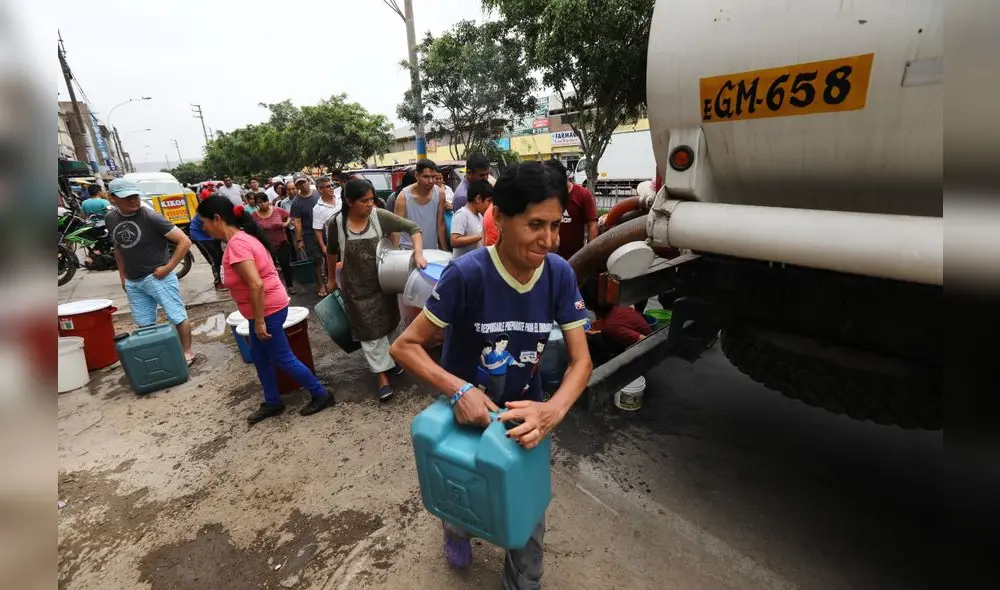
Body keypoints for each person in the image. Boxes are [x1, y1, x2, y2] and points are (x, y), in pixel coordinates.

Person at [389, 162, 593, 587]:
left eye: (555, 225)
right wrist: (457, 389)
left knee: (526, 516)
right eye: (535, 225)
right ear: (499, 217)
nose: (549, 240)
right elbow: (404, 347)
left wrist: (551, 411)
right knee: (462, 490)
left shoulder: (558, 274)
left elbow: (581, 362)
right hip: (465, 417)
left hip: (524, 420)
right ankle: (455, 529)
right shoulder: (467, 274)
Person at [197, 195, 335, 423]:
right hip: (262, 310)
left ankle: (321, 394)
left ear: (217, 219)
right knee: (259, 357)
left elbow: (256, 284)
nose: (203, 228)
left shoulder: (238, 245)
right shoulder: (240, 239)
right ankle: (272, 401)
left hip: (267, 310)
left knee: (283, 358)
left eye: (204, 222)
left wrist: (260, 321)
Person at [325, 179, 428, 401]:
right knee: (369, 334)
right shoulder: (337, 223)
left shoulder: (378, 216)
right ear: (349, 201)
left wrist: (418, 254)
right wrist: (331, 278)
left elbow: (413, 228)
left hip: (383, 284)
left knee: (389, 325)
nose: (370, 204)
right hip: (356, 290)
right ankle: (382, 376)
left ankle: (391, 360)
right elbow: (331, 252)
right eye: (364, 201)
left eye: (371, 199)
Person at [105, 178, 196, 364]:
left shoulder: (151, 217)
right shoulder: (111, 218)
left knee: (177, 316)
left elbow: (184, 241)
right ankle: (158, 354)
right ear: (113, 198)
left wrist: (168, 268)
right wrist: (123, 277)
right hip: (134, 280)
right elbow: (118, 248)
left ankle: (187, 352)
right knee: (144, 323)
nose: (133, 200)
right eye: (127, 197)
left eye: (135, 196)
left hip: (158, 277)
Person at [543, 159, 597, 260]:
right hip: (550, 255)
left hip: (575, 257)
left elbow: (592, 225)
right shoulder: (547, 195)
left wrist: (590, 255)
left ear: (563, 179)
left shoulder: (583, 195)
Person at [394, 159, 446, 250]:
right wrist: (394, 253)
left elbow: (440, 224)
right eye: (426, 177)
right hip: (408, 251)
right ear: (416, 175)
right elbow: (396, 229)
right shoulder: (403, 197)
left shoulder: (440, 194)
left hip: (431, 250)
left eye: (433, 176)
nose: (431, 181)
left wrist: (445, 250)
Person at [252, 192, 295, 294]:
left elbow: (289, 215)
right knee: (270, 267)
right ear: (256, 204)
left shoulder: (277, 210)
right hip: (265, 245)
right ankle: (275, 287)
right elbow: (251, 229)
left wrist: (286, 223)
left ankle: (290, 286)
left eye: (264, 201)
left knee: (285, 264)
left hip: (281, 241)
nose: (263, 204)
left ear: (268, 201)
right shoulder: (254, 215)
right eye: (259, 202)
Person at [290, 173, 324, 293]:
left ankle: (333, 281)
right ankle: (321, 286)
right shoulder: (296, 202)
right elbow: (297, 222)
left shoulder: (319, 194)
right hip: (310, 234)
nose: (302, 185)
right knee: (316, 261)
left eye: (303, 182)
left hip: (325, 231)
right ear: (296, 186)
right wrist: (299, 240)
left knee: (331, 256)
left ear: (308, 181)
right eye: (299, 184)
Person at [189, 192, 227, 291]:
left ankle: (223, 278)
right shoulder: (205, 211)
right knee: (215, 258)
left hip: (211, 235)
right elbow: (206, 228)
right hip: (200, 236)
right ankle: (218, 282)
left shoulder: (218, 209)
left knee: (221, 256)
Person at [311, 176, 342, 295]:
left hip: (348, 239)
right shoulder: (317, 209)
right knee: (334, 271)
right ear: (320, 189)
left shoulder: (341, 198)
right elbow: (318, 229)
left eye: (332, 185)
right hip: (333, 245)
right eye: (328, 186)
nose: (331, 188)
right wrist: (323, 247)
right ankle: (337, 294)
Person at [449, 179, 493, 258]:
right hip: (462, 264)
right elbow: (454, 241)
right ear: (478, 199)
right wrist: (480, 236)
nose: (490, 205)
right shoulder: (462, 215)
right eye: (489, 201)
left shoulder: (480, 216)